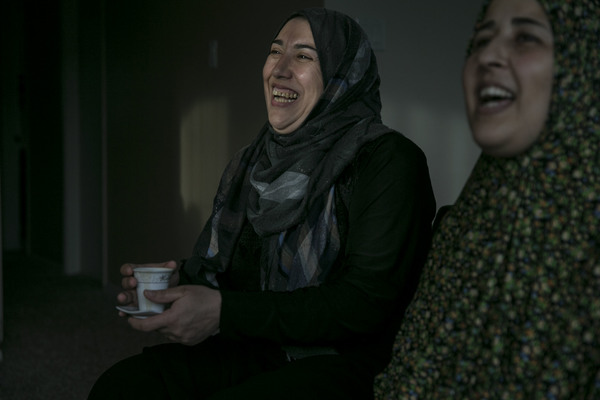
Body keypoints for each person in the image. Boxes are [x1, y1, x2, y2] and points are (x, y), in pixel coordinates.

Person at [89, 8, 436, 399]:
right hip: (258, 345)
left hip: (350, 361)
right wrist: (179, 284)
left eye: (303, 56)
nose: (280, 69)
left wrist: (223, 313)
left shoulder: (388, 161)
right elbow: (233, 279)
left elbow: (362, 305)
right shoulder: (253, 162)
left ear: (343, 76)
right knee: (121, 387)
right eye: (275, 51)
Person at [374, 0, 600, 398]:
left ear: (582, 59)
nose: (487, 56)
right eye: (480, 41)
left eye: (526, 37)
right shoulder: (465, 222)